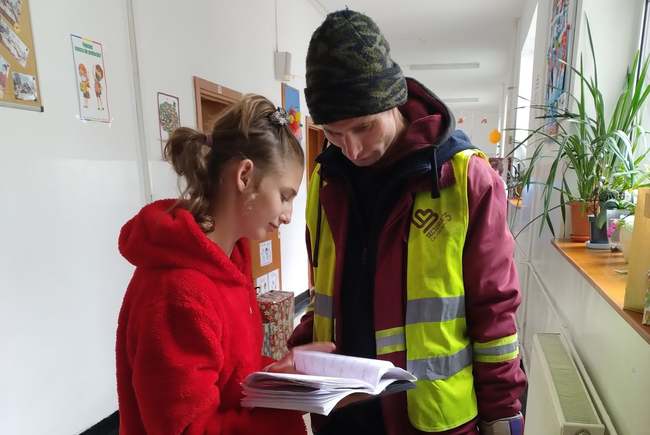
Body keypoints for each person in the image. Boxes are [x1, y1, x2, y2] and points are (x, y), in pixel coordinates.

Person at [288, 9, 527, 435]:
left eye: (364, 127)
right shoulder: (326, 179)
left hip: (431, 420)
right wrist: (299, 354)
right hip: (341, 416)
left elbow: (494, 315)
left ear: (392, 101)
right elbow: (325, 291)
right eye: (333, 133)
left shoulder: (465, 179)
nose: (352, 150)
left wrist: (502, 413)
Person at [116, 94, 327, 435]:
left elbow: (231, 374)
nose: (288, 215)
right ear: (245, 175)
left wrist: (284, 374)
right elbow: (189, 429)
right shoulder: (179, 291)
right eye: (284, 196)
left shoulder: (230, 264)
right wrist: (286, 413)